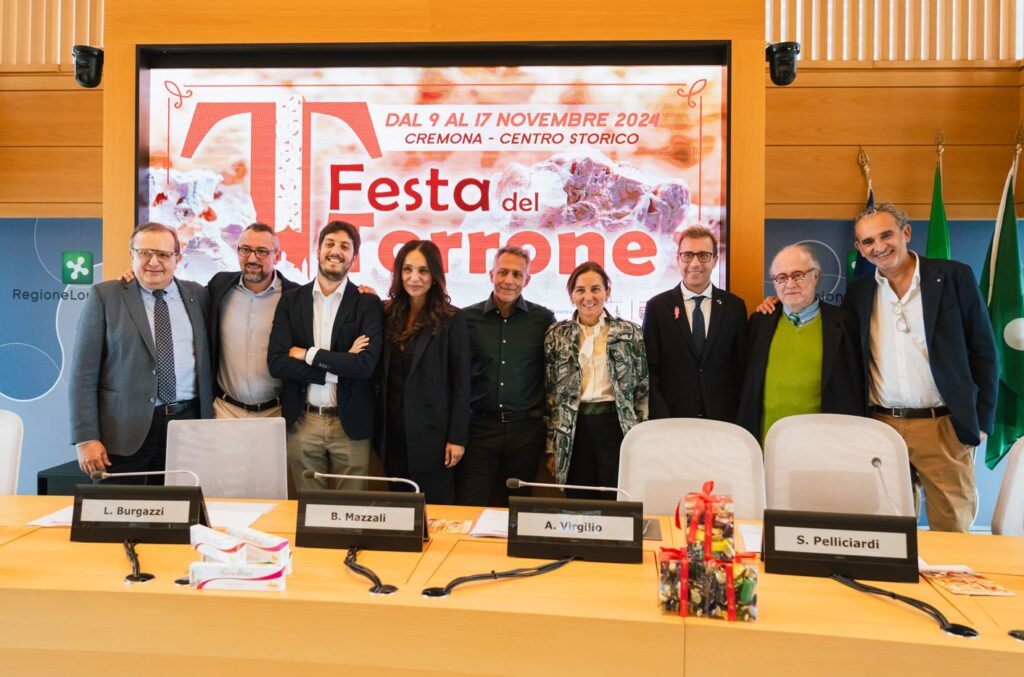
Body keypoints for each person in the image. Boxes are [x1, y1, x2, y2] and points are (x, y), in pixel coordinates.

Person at [844, 203, 997, 532]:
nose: (879, 247)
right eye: (868, 241)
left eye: (886, 235)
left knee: (953, 528)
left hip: (941, 426)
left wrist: (980, 421)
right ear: (859, 248)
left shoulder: (954, 276)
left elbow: (984, 350)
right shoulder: (858, 291)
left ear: (906, 233)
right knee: (888, 534)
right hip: (881, 424)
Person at [70, 222, 214, 483]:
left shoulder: (198, 295)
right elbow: (82, 375)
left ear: (177, 259)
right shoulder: (106, 296)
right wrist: (86, 437)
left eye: (163, 254)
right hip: (123, 432)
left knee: (179, 516)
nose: (153, 262)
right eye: (145, 253)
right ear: (132, 255)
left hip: (188, 426)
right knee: (119, 515)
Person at [268, 220, 384, 492]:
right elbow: (277, 362)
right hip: (304, 421)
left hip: (351, 425)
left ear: (354, 258)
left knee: (352, 514)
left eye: (345, 246)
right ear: (317, 250)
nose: (336, 251)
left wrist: (307, 354)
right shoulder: (291, 300)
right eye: (329, 244)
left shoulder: (367, 303)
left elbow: (365, 366)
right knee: (310, 515)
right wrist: (338, 367)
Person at [455, 245, 556, 506]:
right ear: (491, 274)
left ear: (527, 279)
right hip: (479, 430)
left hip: (525, 432)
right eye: (502, 272)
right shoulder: (466, 319)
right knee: (470, 505)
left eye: (516, 274)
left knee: (518, 509)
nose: (508, 280)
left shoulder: (543, 319)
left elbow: (554, 378)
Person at [374, 240, 471, 504]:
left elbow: (462, 384)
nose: (414, 278)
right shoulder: (386, 313)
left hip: (434, 438)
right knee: (400, 514)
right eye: (407, 269)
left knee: (436, 515)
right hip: (392, 436)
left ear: (435, 275)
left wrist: (457, 438)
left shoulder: (452, 319)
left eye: (423, 271)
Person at [737, 244, 864, 442]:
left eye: (797, 275)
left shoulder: (845, 324)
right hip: (766, 444)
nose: (789, 284)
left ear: (815, 276)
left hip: (825, 445)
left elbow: (855, 387)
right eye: (781, 277)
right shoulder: (759, 323)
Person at [545, 262, 648, 499]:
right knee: (580, 503)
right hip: (573, 429)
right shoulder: (556, 335)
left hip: (616, 427)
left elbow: (642, 391)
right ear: (571, 295)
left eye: (595, 289)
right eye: (580, 290)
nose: (588, 297)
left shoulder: (629, 333)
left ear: (607, 292)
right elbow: (550, 396)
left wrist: (640, 441)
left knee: (616, 499)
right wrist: (552, 448)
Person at [643, 225, 747, 422]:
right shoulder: (657, 307)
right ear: (678, 260)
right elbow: (649, 372)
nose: (695, 263)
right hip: (673, 420)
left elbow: (741, 369)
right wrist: (662, 417)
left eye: (704, 255)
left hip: (723, 420)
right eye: (688, 255)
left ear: (715, 260)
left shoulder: (734, 307)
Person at [207, 223, 299, 418]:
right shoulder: (219, 286)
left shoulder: (296, 297)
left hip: (277, 413)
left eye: (262, 252)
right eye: (245, 250)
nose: (252, 258)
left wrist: (363, 294)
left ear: (278, 255)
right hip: (225, 412)